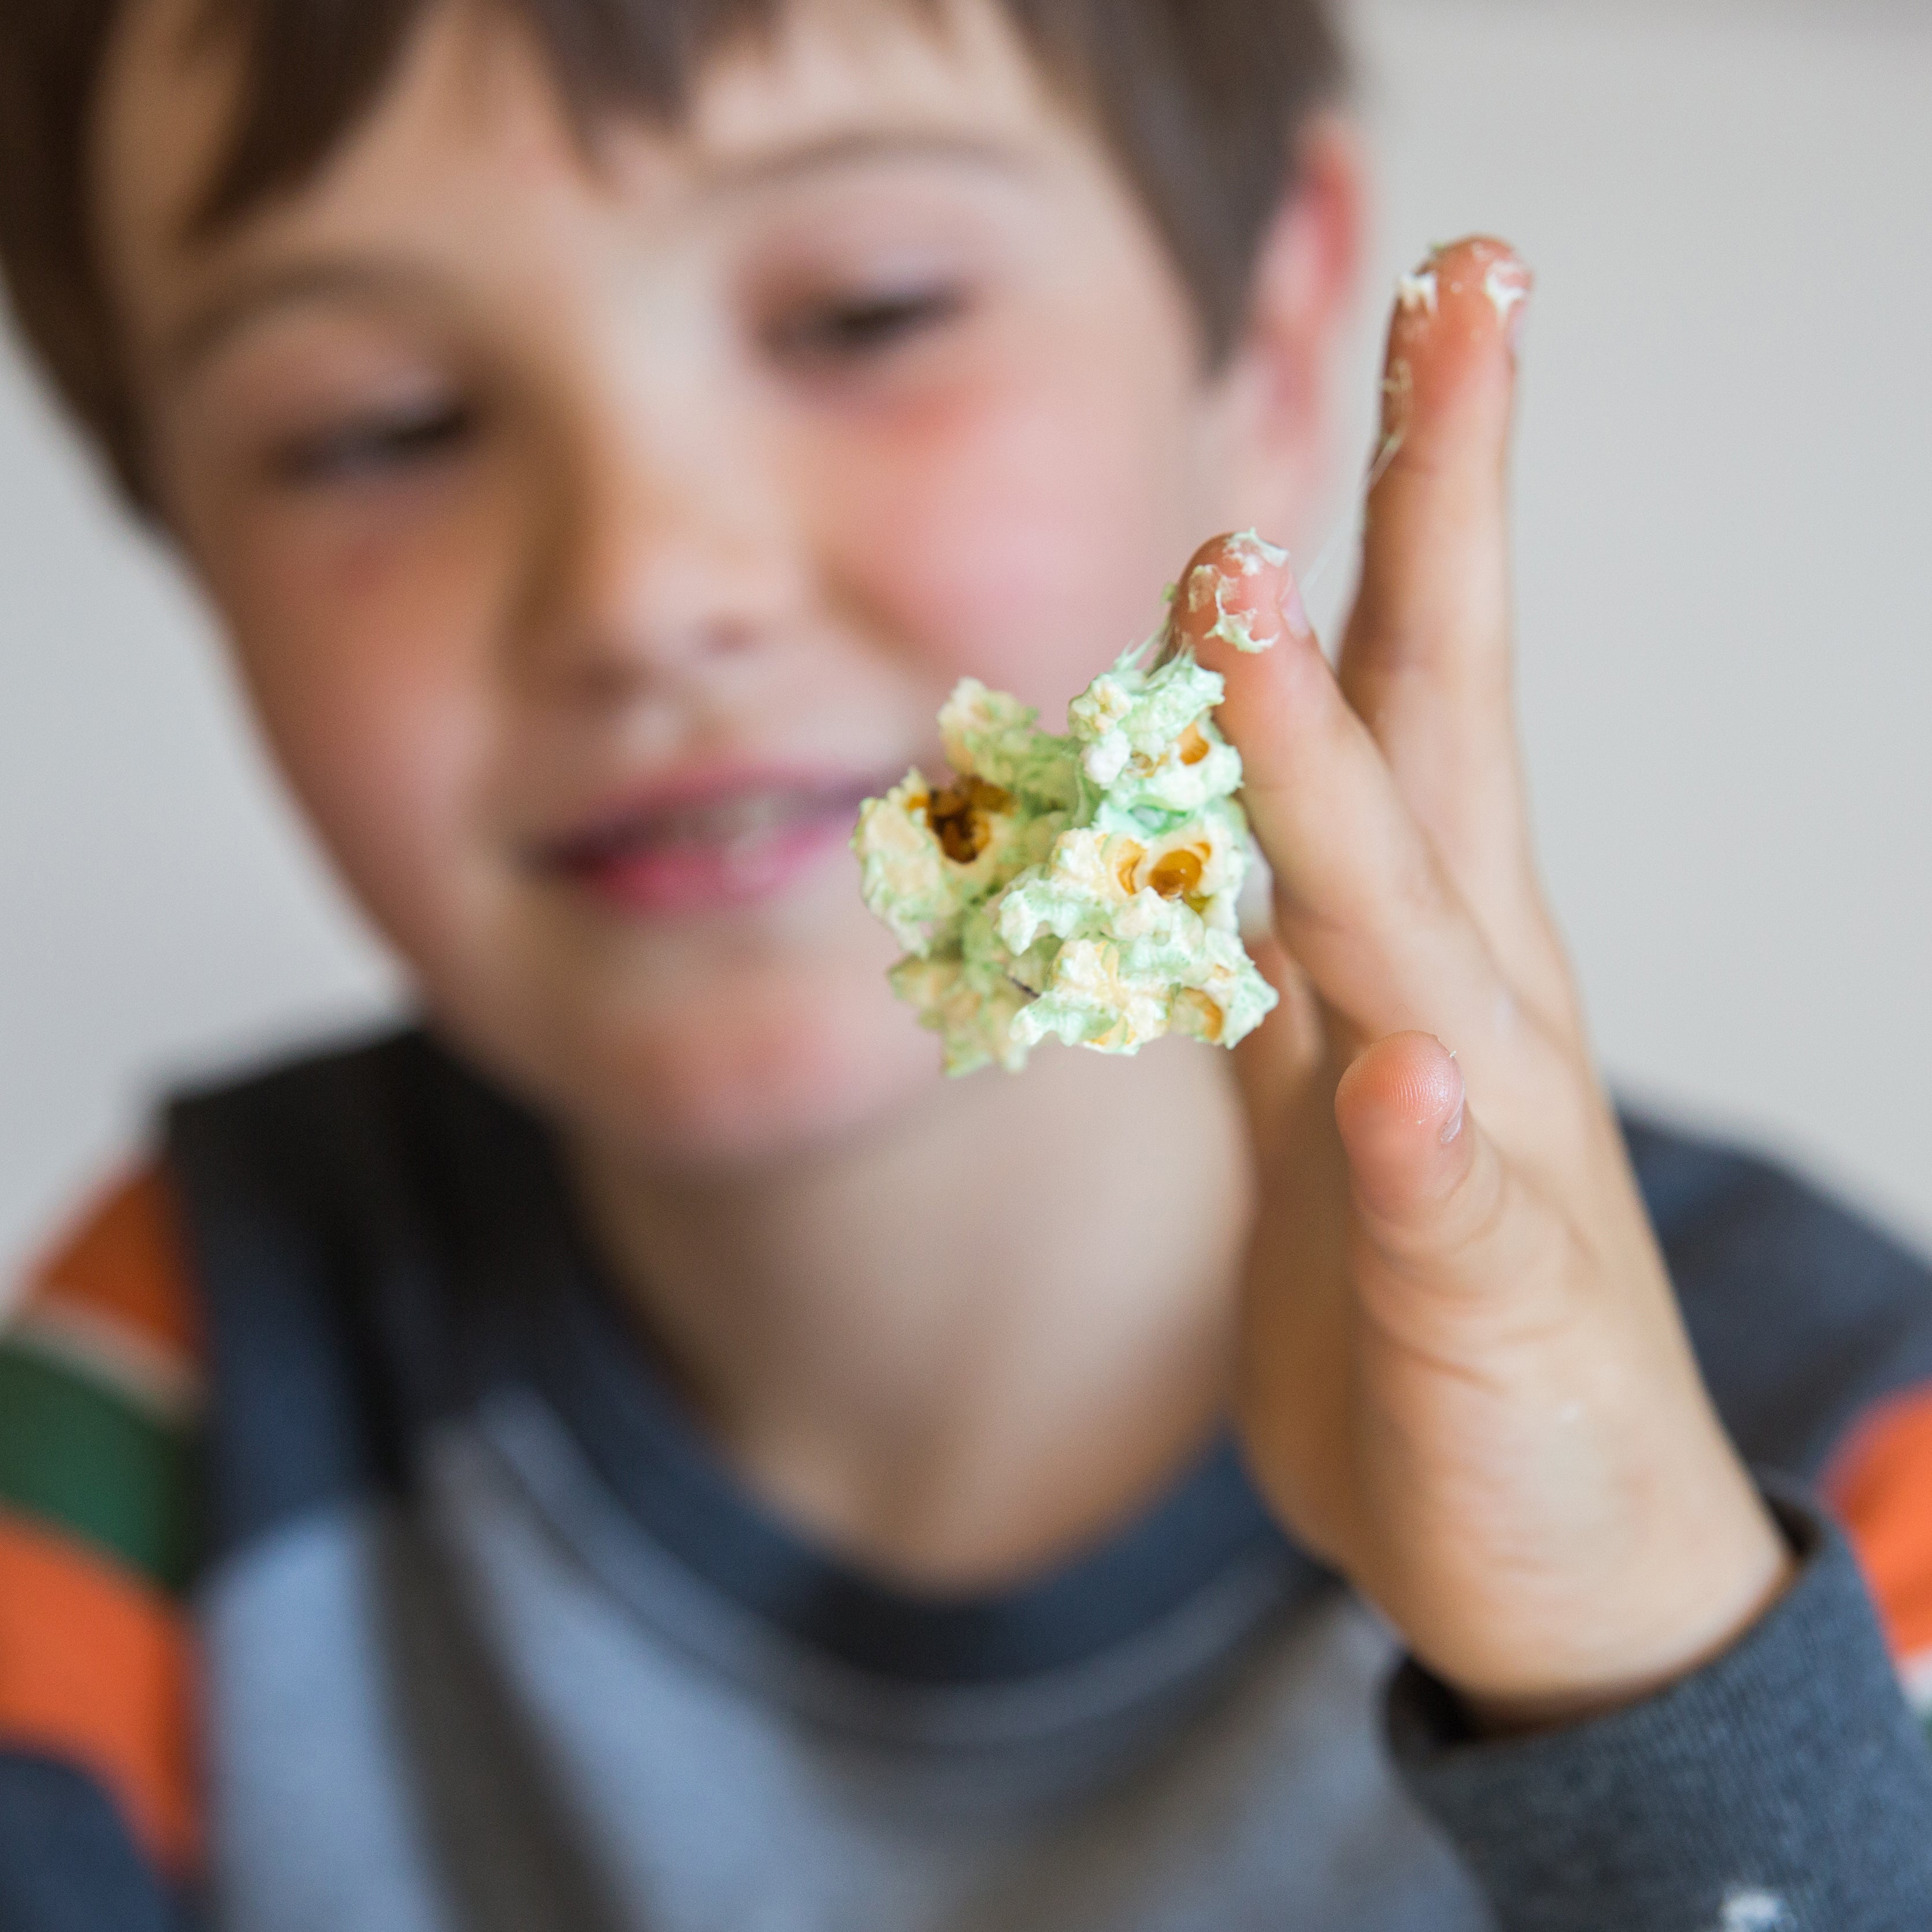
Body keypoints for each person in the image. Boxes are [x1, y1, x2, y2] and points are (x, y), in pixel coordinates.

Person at [2, 0, 1931, 1925]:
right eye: (380, 426)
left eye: (866, 314)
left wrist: (1645, 1681)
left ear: (1260, 336)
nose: (648, 589)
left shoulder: (1849, 1461)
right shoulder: (163, 1388)